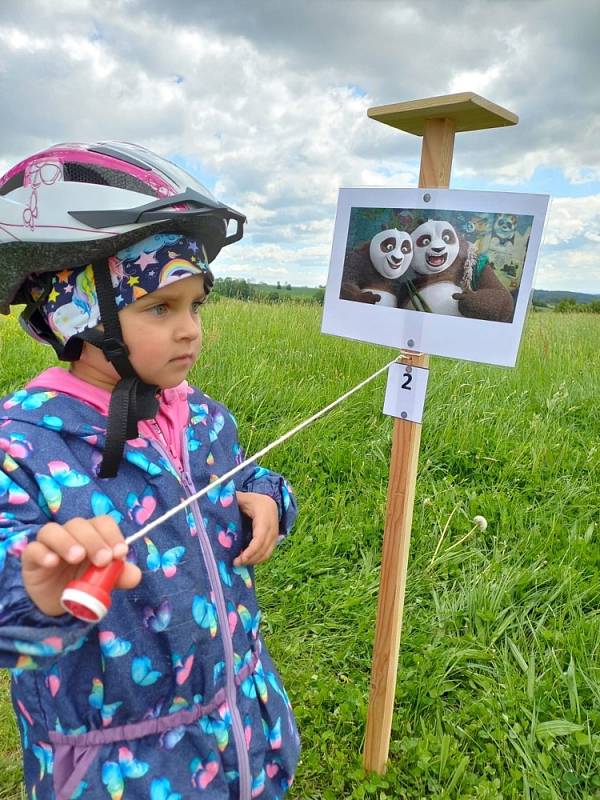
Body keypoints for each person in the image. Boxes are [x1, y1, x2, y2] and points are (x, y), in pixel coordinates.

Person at [0, 142, 299, 799]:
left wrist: (268, 497)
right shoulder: (22, 446)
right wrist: (36, 595)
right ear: (77, 315)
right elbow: (7, 605)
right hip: (120, 771)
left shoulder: (205, 420)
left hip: (241, 729)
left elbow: (240, 478)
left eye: (197, 306)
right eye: (160, 308)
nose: (191, 330)